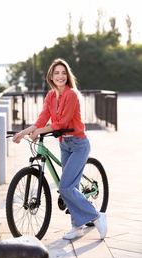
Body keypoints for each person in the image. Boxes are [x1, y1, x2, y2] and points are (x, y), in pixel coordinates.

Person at [12, 58, 107, 240]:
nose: (60, 76)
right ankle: (76, 226)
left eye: (64, 73)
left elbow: (62, 122)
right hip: (64, 144)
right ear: (51, 76)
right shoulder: (50, 96)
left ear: (68, 76)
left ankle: (96, 215)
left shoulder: (71, 95)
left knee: (65, 187)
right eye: (57, 73)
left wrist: (39, 131)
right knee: (72, 186)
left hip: (79, 144)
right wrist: (23, 132)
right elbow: (42, 119)